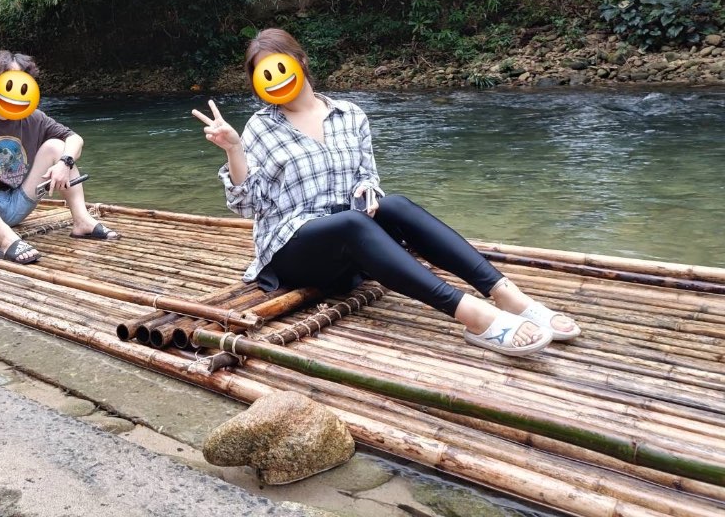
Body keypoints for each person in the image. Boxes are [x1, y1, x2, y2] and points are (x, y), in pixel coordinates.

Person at [192, 28, 580, 356]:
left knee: (395, 204)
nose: (275, 80)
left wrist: (367, 190)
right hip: (292, 252)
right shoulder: (261, 128)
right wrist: (234, 150)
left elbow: (367, 176)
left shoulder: (350, 115)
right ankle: (474, 317)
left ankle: (508, 295)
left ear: (301, 62)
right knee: (349, 224)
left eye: (280, 67)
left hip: (351, 245)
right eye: (263, 75)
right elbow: (249, 206)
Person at [0, 50, 118, 265]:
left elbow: (75, 139)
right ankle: (5, 239)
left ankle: (82, 221)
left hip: (15, 205)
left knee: (57, 146)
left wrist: (64, 163)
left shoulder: (34, 117)